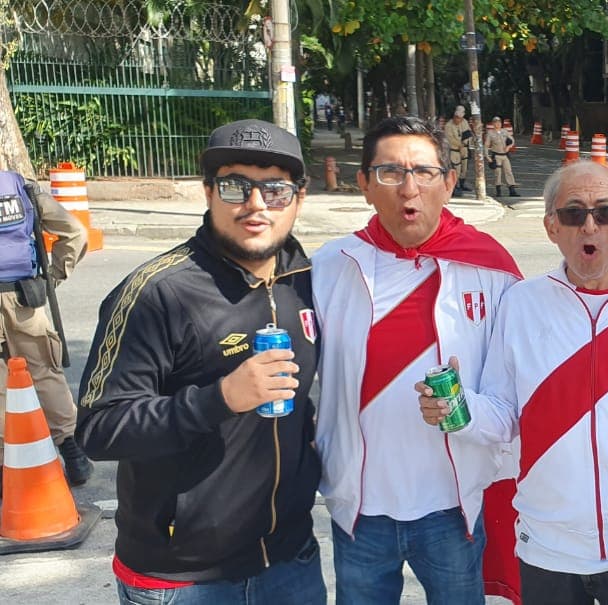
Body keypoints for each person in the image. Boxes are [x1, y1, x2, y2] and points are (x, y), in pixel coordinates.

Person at [419, 160, 608, 605]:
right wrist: (458, 409)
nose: (589, 226)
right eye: (573, 213)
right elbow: (503, 413)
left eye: (605, 213)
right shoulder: (521, 303)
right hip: (547, 544)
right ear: (551, 227)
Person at [76, 119, 324, 604]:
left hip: (290, 559)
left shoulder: (307, 279)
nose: (256, 204)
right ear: (208, 191)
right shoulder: (156, 293)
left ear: (299, 197)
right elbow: (98, 428)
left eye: (275, 189)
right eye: (236, 186)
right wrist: (220, 398)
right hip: (183, 578)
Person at [310, 115, 522, 605]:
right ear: (364, 185)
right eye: (390, 172)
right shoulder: (328, 267)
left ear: (448, 182)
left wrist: (463, 411)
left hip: (451, 508)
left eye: (424, 172)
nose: (409, 188)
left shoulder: (493, 269)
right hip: (359, 509)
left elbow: (514, 401)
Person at [0, 171, 91, 496]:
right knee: (45, 372)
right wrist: (53, 277)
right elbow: (75, 233)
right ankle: (73, 452)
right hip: (24, 297)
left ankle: (5, 467)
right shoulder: (20, 188)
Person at [485, 116, 518, 198]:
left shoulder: (504, 131)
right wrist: (487, 156)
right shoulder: (490, 133)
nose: (498, 124)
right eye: (496, 122)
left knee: (509, 171)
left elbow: (512, 140)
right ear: (493, 124)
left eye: (499, 122)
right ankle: (498, 190)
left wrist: (509, 146)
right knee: (498, 173)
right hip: (496, 155)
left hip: (505, 155)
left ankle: (512, 190)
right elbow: (486, 145)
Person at [444, 105, 473, 193]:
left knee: (464, 168)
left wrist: (466, 143)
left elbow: (468, 133)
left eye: (460, 118)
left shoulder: (464, 122)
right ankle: (455, 186)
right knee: (456, 168)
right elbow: (450, 139)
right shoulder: (448, 125)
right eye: (457, 117)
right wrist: (460, 144)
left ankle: (462, 183)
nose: (458, 120)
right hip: (454, 150)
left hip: (464, 148)